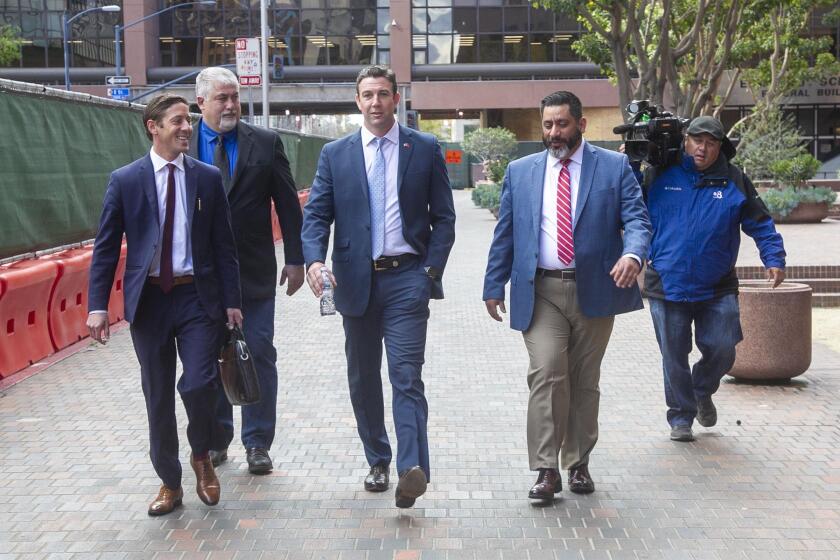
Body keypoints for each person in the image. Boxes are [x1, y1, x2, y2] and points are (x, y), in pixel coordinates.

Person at [483, 91, 651, 502]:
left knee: (583, 380)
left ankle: (577, 463)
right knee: (547, 372)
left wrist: (632, 253)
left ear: (580, 124)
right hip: (541, 291)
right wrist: (493, 283)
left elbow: (637, 218)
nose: (553, 132)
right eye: (547, 124)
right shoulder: (521, 171)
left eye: (561, 124)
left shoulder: (613, 168)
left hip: (596, 288)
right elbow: (507, 230)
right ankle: (546, 469)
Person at [301, 65, 456, 508]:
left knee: (406, 376)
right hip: (355, 281)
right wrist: (314, 259)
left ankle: (411, 468)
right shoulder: (336, 153)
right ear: (357, 100)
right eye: (367, 95)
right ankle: (378, 459)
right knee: (363, 378)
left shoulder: (424, 148)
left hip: (409, 278)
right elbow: (317, 216)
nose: (375, 103)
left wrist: (431, 273)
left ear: (395, 99)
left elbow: (444, 217)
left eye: (383, 94)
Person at [86, 94, 243, 515]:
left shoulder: (207, 178)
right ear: (152, 126)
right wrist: (97, 305)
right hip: (150, 300)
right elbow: (104, 248)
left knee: (198, 383)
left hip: (197, 297)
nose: (187, 128)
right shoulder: (126, 180)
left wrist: (232, 302)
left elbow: (224, 246)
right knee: (157, 393)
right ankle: (169, 483)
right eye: (177, 121)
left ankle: (202, 457)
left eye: (189, 121)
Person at [640, 115, 786, 442]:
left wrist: (773, 257)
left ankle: (701, 389)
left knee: (724, 348)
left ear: (720, 146)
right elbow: (626, 207)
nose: (702, 148)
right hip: (666, 283)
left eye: (711, 142)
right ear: (685, 140)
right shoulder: (659, 174)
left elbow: (760, 222)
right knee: (673, 356)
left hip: (717, 286)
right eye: (696, 140)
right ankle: (680, 417)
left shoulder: (733, 179)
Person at [190, 67, 305, 475]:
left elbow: (289, 204)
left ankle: (258, 443)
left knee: (257, 352)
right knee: (209, 357)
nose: (231, 105)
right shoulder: (182, 145)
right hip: (200, 277)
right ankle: (217, 440)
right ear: (200, 102)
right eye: (222, 98)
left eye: (235, 97)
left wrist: (296, 258)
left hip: (253, 272)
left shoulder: (265, 142)